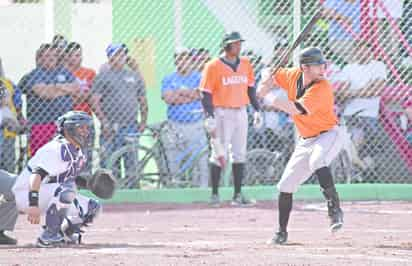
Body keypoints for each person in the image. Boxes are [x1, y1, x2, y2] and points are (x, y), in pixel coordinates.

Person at [258, 47, 344, 244]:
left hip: (329, 134)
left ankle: (334, 208)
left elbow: (295, 109)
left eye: (323, 63)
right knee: (286, 185)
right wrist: (266, 78)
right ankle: (281, 232)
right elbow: (267, 70)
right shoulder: (292, 75)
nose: (323, 67)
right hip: (306, 139)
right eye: (318, 64)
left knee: (318, 160)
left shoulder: (322, 87)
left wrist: (268, 95)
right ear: (304, 67)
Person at [0, 111, 101, 246]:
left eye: (87, 128)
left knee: (92, 207)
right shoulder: (56, 148)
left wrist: (91, 183)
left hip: (48, 191)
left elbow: (66, 178)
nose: (85, 131)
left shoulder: (78, 151)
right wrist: (33, 204)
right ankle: (48, 236)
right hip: (26, 193)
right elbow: (36, 175)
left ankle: (65, 233)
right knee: (66, 191)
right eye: (80, 127)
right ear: (68, 129)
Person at [200, 31, 262, 206]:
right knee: (219, 153)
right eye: (235, 43)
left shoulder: (246, 64)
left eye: (239, 43)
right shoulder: (213, 66)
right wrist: (209, 114)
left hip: (241, 111)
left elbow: (250, 89)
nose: (239, 46)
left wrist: (257, 110)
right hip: (221, 112)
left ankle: (237, 194)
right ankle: (214, 194)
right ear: (226, 45)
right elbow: (205, 93)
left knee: (239, 153)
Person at [90, 44, 148, 176]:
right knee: (109, 164)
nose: (122, 56)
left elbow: (143, 99)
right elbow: (94, 101)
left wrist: (143, 121)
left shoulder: (134, 76)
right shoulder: (102, 76)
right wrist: (104, 122)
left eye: (123, 53)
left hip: (130, 126)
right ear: (110, 57)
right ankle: (110, 194)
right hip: (110, 127)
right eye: (117, 54)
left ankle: (133, 193)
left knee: (132, 165)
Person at [18, 43, 80, 155]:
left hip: (64, 124)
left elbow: (76, 88)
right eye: (47, 56)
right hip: (41, 123)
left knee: (63, 157)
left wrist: (54, 87)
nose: (51, 58)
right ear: (39, 59)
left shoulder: (64, 71)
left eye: (54, 55)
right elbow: (43, 93)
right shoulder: (34, 74)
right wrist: (64, 88)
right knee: (41, 157)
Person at [161, 48, 209, 187]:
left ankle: (202, 190)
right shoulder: (169, 78)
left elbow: (202, 95)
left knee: (200, 161)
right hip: (174, 125)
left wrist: (180, 92)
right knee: (173, 161)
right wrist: (191, 95)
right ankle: (175, 189)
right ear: (176, 61)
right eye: (179, 58)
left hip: (195, 124)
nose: (183, 61)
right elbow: (169, 98)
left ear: (190, 60)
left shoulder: (199, 77)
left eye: (186, 58)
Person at [62, 42, 96, 173]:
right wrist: (81, 95)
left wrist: (75, 94)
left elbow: (91, 95)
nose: (78, 58)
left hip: (86, 118)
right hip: (70, 120)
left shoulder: (90, 73)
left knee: (86, 152)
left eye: (79, 55)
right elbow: (70, 97)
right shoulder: (63, 74)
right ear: (68, 57)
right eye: (75, 55)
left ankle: (86, 181)